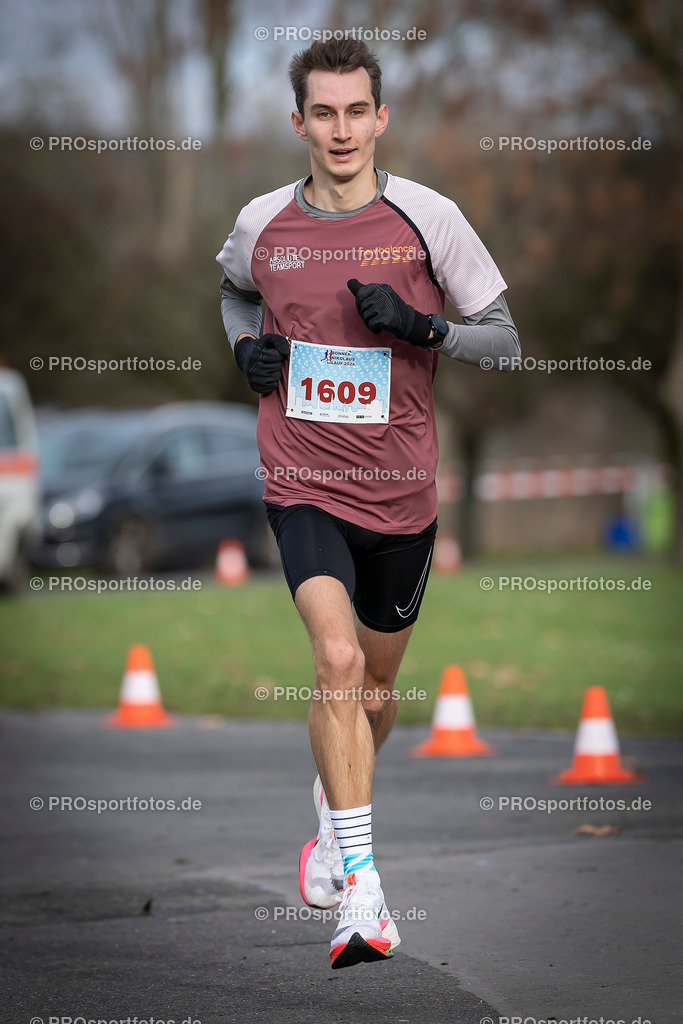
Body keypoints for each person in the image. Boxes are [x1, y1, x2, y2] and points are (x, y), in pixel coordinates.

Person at [217, 37, 519, 970]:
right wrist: (245, 351)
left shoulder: (429, 218)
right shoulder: (262, 222)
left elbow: (503, 340)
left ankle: (331, 810)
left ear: (380, 119)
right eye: (324, 113)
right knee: (337, 660)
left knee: (376, 691)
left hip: (400, 497)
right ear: (298, 121)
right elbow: (234, 293)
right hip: (300, 480)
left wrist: (424, 327)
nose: (341, 129)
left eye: (357, 111)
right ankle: (362, 891)